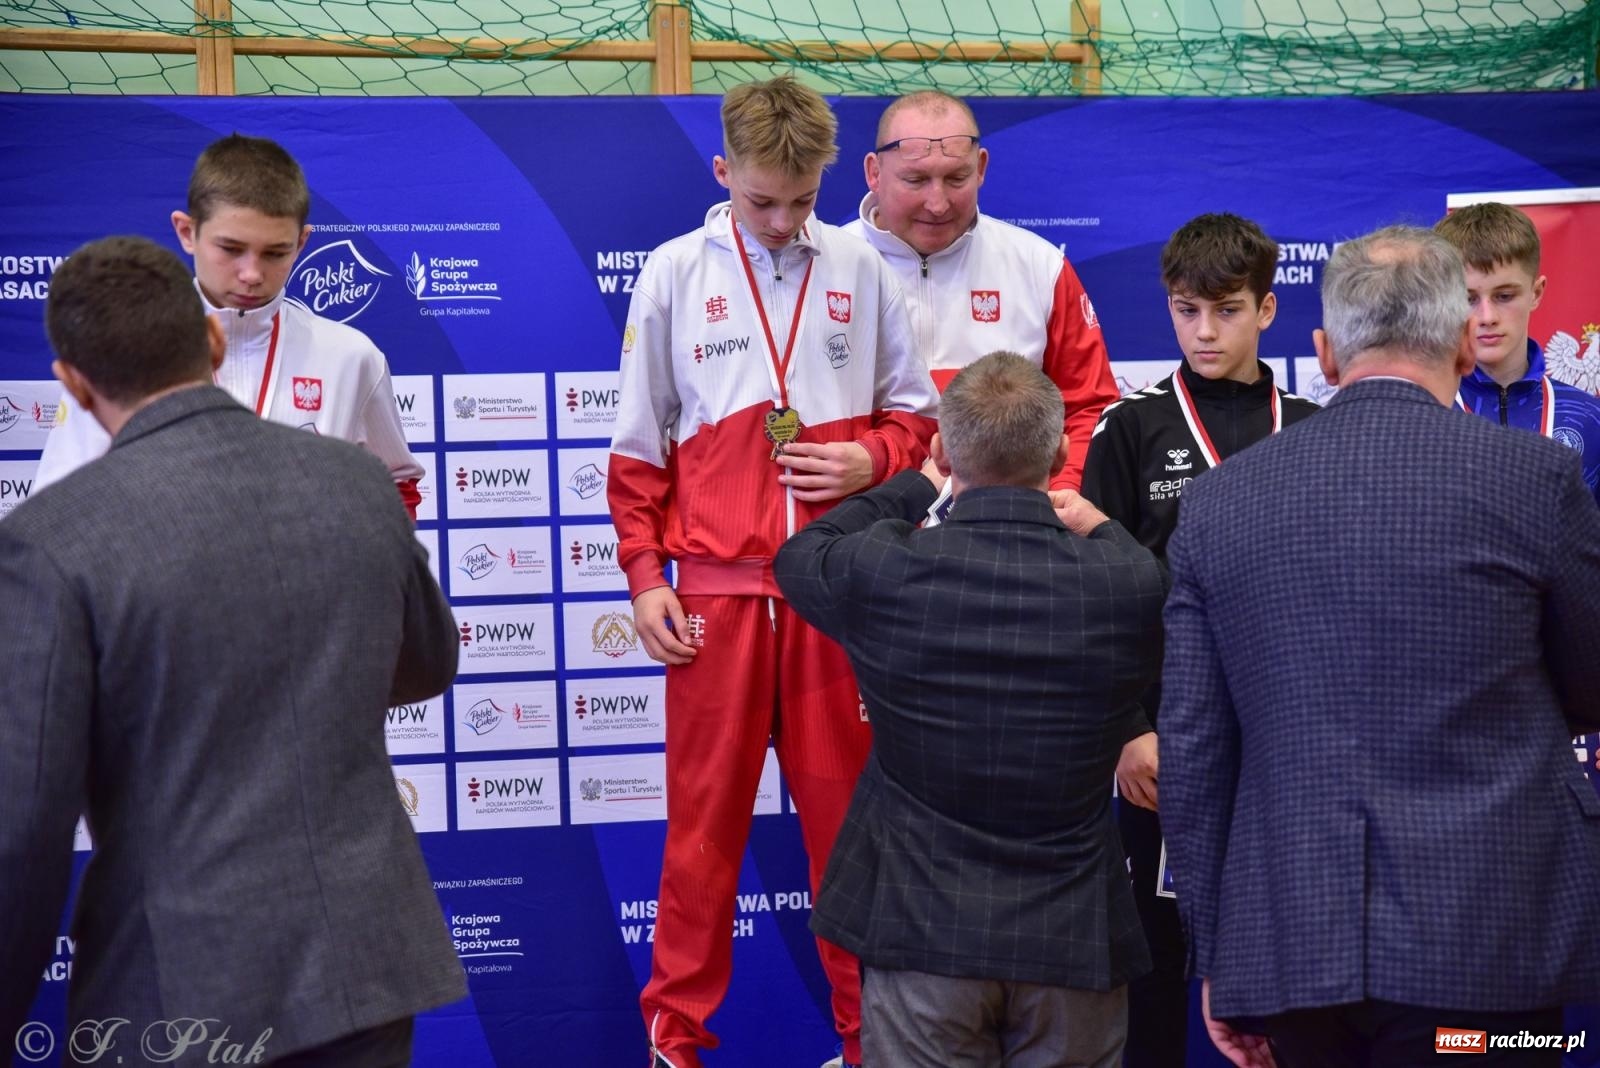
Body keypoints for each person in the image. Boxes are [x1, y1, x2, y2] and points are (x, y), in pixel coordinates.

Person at [0, 236, 465, 1065]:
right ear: (212, 343)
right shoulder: (358, 481)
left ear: (71, 382)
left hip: (179, 979)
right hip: (365, 963)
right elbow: (428, 663)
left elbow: (25, 824)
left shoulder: (51, 541)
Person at [1159, 225, 1600, 1068]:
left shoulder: (1216, 505)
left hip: (1292, 956)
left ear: (1324, 353)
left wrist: (1220, 955)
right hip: (1492, 962)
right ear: (1465, 343)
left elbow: (1193, 748)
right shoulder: (1537, 479)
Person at [606, 75, 938, 1068]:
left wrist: (865, 461)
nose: (786, 221)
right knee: (700, 843)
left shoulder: (862, 265)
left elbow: (917, 423)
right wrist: (644, 578)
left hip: (836, 597)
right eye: (762, 202)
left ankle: (866, 1046)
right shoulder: (672, 272)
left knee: (848, 839)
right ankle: (674, 1046)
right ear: (722, 174)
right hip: (713, 596)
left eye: (802, 199)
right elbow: (635, 457)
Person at [772, 351, 1165, 1068]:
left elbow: (804, 551)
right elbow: (1146, 571)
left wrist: (914, 487)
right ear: (1062, 452)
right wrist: (1101, 524)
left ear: (945, 449)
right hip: (1071, 944)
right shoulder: (1124, 579)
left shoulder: (889, 570)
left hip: (923, 938)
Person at [1078, 212, 1319, 1066]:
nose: (1205, 331)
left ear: (1268, 310)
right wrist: (1128, 732)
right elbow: (1095, 600)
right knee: (1150, 968)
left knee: (1294, 964)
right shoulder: (1129, 428)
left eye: (1225, 309)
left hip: (1287, 748)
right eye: (1187, 311)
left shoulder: (1314, 424)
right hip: (1163, 746)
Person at [33, 133, 423, 517]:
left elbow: (397, 486)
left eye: (275, 252)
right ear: (187, 232)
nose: (252, 273)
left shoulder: (352, 357)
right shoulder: (117, 355)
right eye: (231, 249)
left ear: (302, 243)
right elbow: (59, 504)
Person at [844, 90, 1119, 493]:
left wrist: (1056, 500)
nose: (937, 204)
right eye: (916, 180)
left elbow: (1088, 406)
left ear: (982, 168)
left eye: (956, 178)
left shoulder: (1040, 266)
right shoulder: (828, 266)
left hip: (1009, 533)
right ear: (874, 172)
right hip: (866, 530)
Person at [1434, 201, 1600, 504]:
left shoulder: (1589, 419)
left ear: (1536, 293)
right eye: (1468, 298)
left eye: (1504, 296)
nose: (1487, 316)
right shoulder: (1425, 414)